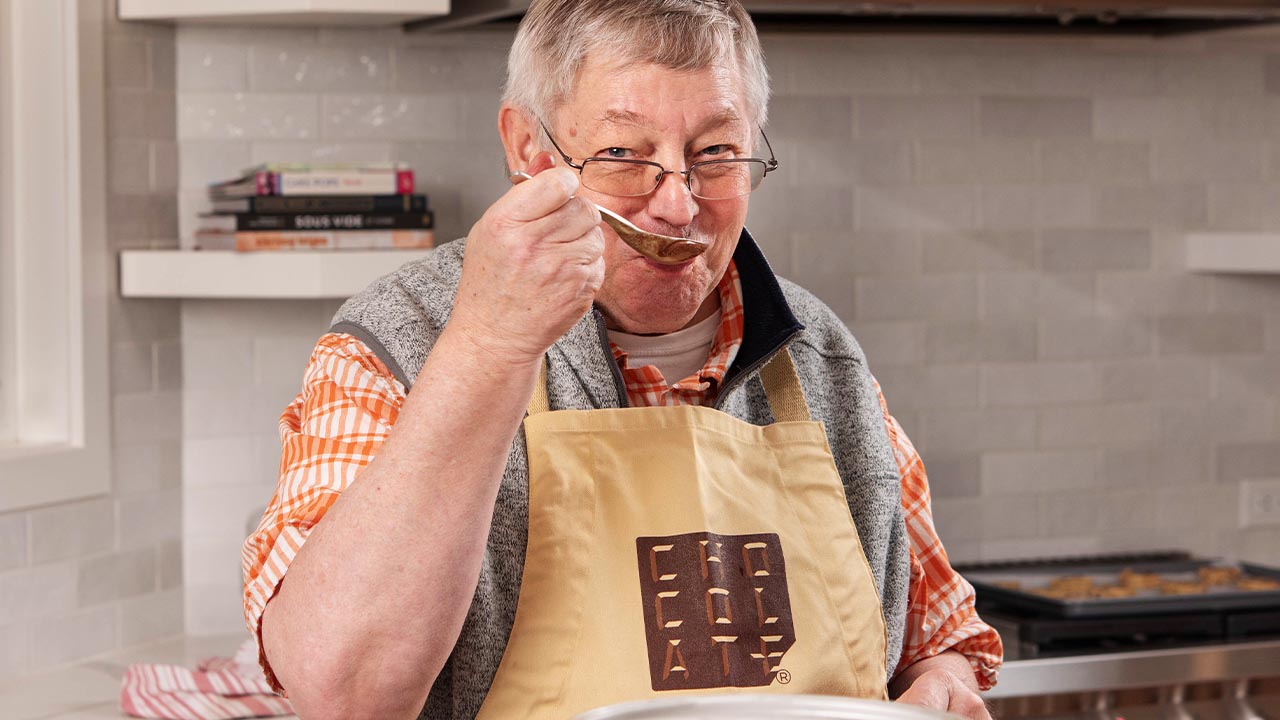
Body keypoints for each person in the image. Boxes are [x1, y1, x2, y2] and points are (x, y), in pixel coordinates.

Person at [242, 1, 1003, 718]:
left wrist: (942, 683)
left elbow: (938, 644)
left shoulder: (822, 354)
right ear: (530, 150)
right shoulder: (399, 338)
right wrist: (487, 345)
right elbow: (344, 695)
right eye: (621, 154)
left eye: (714, 153)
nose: (676, 204)